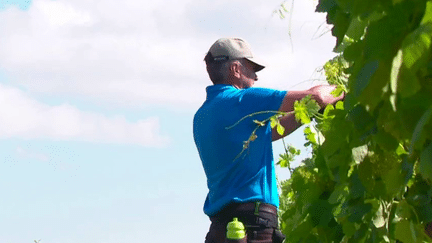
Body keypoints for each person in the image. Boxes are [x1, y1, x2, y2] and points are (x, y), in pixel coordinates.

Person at [193, 37, 343, 243]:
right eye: (251, 68)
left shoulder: (202, 115)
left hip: (220, 229)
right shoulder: (243, 101)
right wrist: (346, 88)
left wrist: (306, 113)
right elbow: (317, 97)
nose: (255, 77)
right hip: (254, 226)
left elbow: (271, 133)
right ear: (235, 69)